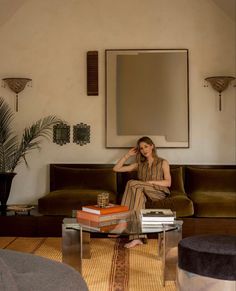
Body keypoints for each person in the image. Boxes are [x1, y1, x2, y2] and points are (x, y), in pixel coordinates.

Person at [113, 136, 171, 248]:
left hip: (158, 192)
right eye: (141, 148)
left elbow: (168, 183)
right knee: (137, 192)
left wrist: (150, 182)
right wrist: (127, 155)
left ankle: (122, 221)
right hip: (142, 192)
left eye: (146, 146)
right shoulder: (139, 164)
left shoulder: (163, 162)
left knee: (131, 183)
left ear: (152, 146)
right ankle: (137, 238)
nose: (144, 150)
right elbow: (116, 169)